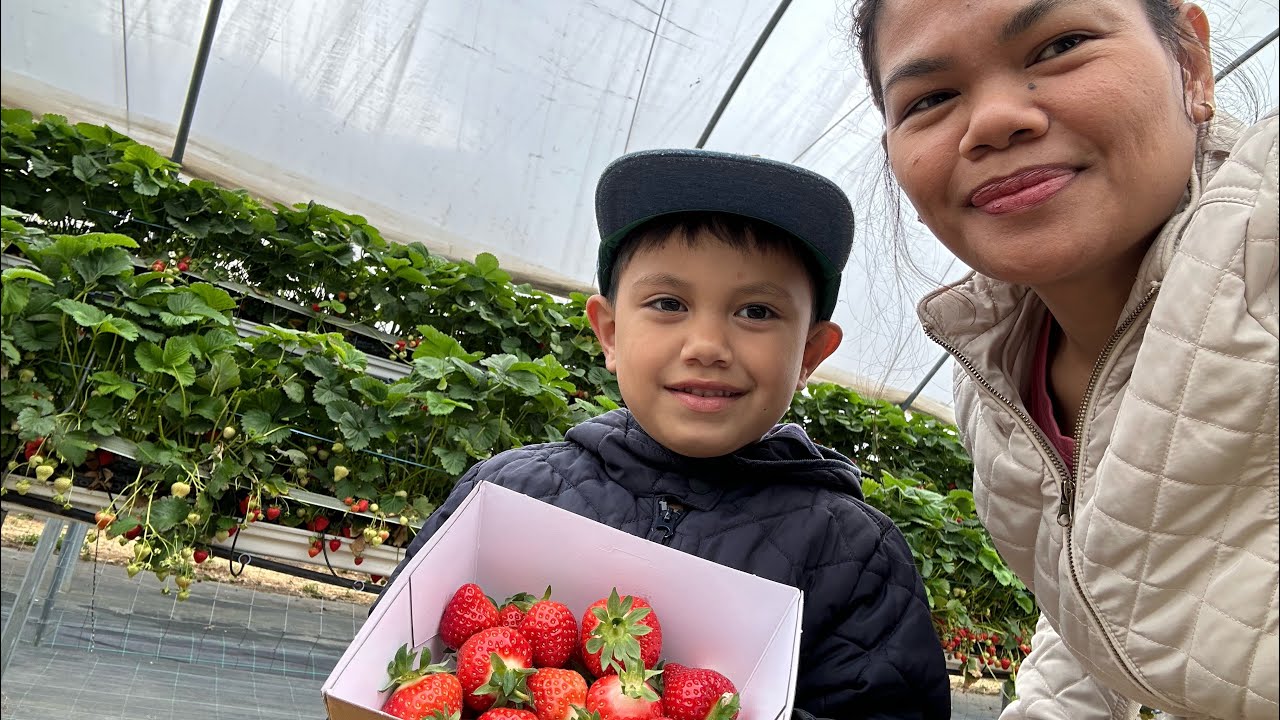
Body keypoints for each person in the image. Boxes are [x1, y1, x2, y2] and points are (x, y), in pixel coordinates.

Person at [383, 149, 951, 719]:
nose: (706, 344)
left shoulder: (854, 556)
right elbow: (393, 666)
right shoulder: (506, 489)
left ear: (809, 353)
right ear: (608, 332)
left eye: (756, 311)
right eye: (668, 303)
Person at [850, 0, 1279, 717]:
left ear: (1191, 66)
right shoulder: (992, 380)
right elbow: (1107, 590)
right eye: (930, 98)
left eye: (1062, 45)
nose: (991, 120)